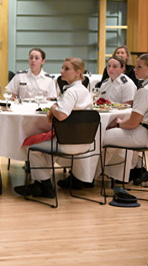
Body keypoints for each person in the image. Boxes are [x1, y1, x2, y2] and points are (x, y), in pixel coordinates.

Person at [14, 57, 93, 198]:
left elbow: (62, 115)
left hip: (68, 143)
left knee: (30, 146)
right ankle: (38, 184)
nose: (61, 71)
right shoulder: (84, 91)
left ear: (78, 72)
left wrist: (53, 107)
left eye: (66, 69)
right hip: (86, 143)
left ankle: (46, 186)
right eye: (62, 68)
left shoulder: (71, 92)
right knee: (42, 145)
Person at [103, 53, 148, 185]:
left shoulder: (145, 90)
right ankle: (126, 173)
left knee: (100, 135)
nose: (134, 69)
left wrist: (119, 124)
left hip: (142, 135)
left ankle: (86, 177)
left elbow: (132, 123)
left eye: (139, 67)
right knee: (114, 138)